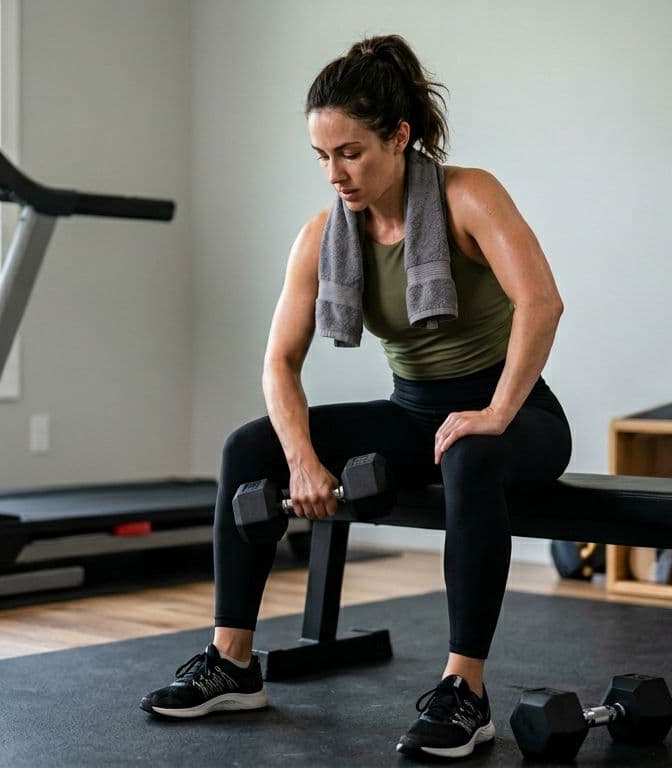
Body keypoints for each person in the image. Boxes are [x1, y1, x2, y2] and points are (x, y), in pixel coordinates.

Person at [140, 33, 572, 760]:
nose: (335, 173)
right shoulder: (323, 236)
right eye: (322, 156)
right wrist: (302, 461)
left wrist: (496, 412)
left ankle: (465, 690)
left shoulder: (469, 195)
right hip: (414, 413)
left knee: (468, 454)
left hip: (517, 415)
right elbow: (280, 361)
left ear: (399, 138)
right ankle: (233, 661)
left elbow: (542, 303)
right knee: (250, 447)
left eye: (351, 152)